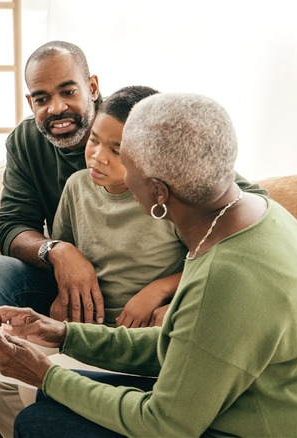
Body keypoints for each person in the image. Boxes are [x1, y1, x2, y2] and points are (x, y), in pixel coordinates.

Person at [0, 92, 297, 437]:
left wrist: (45, 372)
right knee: (52, 399)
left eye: (126, 164)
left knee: (39, 423)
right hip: (247, 400)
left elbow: (166, 424)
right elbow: (184, 344)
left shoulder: (226, 274)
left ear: (158, 191)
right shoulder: (255, 216)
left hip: (272, 425)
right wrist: (63, 334)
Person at [0, 40, 266, 437]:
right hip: (77, 282)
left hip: (155, 298)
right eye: (42, 98)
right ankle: (19, 418)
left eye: (67, 91)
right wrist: (59, 253)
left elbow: (241, 204)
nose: (55, 108)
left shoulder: (141, 123)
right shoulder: (38, 152)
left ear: (92, 86)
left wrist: (171, 293)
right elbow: (12, 226)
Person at [51, 85, 184, 329]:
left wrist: (161, 290)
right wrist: (62, 294)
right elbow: (63, 255)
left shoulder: (170, 198)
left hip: (147, 328)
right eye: (93, 140)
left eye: (116, 150)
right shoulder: (76, 186)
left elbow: (207, 263)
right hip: (87, 326)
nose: (98, 157)